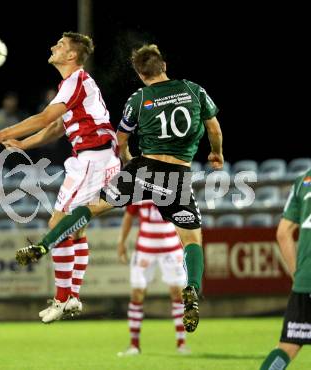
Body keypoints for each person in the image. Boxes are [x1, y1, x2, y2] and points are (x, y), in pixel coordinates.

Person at [15, 44, 224, 333]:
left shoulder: (138, 98)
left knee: (90, 208)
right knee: (191, 239)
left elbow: (121, 140)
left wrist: (128, 167)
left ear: (140, 73)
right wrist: (216, 154)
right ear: (163, 65)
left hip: (144, 168)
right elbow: (213, 128)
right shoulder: (193, 89)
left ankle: (44, 245)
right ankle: (192, 290)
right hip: (177, 176)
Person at [0, 32, 121, 323]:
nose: (53, 46)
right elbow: (56, 127)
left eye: (60, 45)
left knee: (57, 224)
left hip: (93, 159)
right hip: (97, 157)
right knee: (76, 228)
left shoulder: (76, 81)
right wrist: (24, 144)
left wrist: (1, 135)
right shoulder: (75, 85)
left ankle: (61, 298)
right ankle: (73, 298)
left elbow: (43, 118)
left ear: (71, 56)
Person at [116, 200, 189, 356]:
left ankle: (181, 343)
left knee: (178, 293)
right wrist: (121, 242)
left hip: (171, 249)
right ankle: (134, 345)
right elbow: (129, 215)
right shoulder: (139, 187)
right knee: (137, 293)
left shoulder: (174, 185)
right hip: (144, 249)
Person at [259, 168, 311, 370]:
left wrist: (298, 276)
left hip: (306, 279)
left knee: (288, 345)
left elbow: (283, 233)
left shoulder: (303, 180)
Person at [0, 91, 29, 165]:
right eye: (9, 100)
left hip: (16, 151)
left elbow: (28, 132)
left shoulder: (22, 116)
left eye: (13, 101)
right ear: (4, 102)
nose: (11, 103)